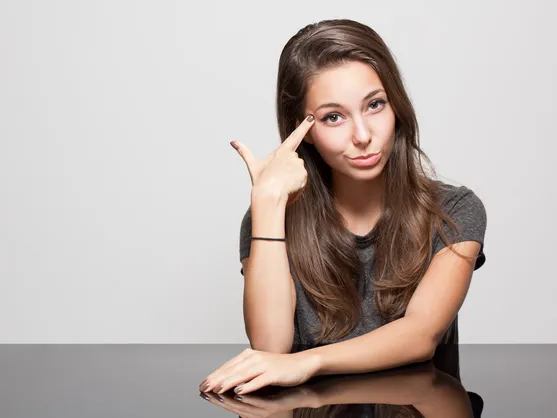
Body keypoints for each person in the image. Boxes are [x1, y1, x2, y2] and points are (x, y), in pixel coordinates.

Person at [199, 18, 487, 396]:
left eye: (375, 105)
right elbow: (270, 350)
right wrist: (268, 204)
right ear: (303, 131)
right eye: (333, 117)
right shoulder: (270, 219)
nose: (363, 136)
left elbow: (420, 336)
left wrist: (307, 362)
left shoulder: (454, 210)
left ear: (396, 106)